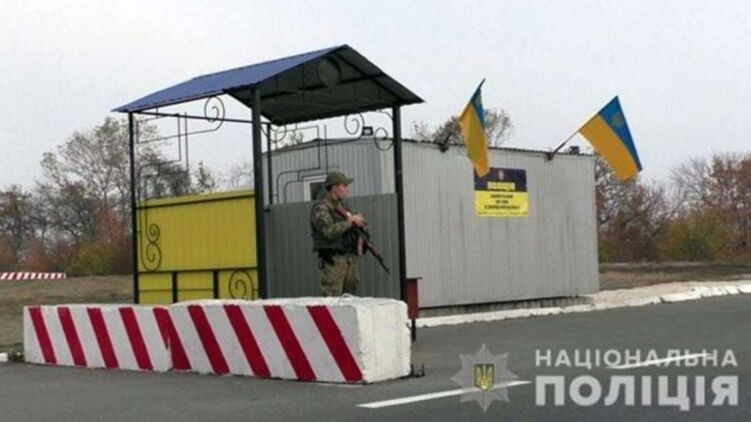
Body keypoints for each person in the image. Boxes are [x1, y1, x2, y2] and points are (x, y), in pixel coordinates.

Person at [310, 171, 366, 296]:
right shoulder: (321, 208)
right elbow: (329, 231)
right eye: (344, 186)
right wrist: (350, 222)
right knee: (332, 300)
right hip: (334, 261)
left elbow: (360, 221)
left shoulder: (344, 207)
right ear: (334, 188)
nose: (347, 190)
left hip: (350, 259)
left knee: (350, 300)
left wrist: (360, 221)